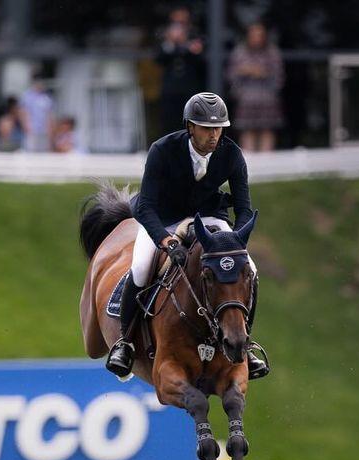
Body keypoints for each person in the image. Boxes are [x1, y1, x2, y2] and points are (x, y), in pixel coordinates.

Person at [105, 91, 269, 381]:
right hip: (164, 218)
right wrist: (166, 241)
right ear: (190, 127)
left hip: (209, 217)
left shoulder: (231, 154)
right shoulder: (162, 150)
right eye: (207, 128)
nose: (214, 135)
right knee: (141, 266)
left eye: (218, 128)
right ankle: (125, 343)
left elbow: (244, 209)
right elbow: (145, 207)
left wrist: (235, 240)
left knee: (251, 270)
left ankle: (246, 345)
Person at [227, 22, 285, 152]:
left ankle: (267, 161)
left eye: (259, 35)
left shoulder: (272, 53)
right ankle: (249, 162)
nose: (256, 38)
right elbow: (231, 75)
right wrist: (244, 73)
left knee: (267, 131)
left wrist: (264, 73)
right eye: (253, 35)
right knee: (247, 131)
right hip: (246, 99)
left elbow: (279, 77)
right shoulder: (239, 52)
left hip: (267, 99)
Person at [156, 8, 205, 133]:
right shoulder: (164, 38)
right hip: (170, 90)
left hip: (190, 89)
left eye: (182, 22)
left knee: (190, 123)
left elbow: (201, 63)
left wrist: (187, 46)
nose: (179, 26)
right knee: (169, 123)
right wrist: (171, 43)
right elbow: (159, 60)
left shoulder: (196, 36)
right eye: (175, 22)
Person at [20, 73, 55, 153]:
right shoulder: (27, 96)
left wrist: (50, 131)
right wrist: (26, 126)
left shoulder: (46, 98)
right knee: (30, 152)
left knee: (43, 152)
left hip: (44, 131)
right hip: (31, 130)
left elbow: (49, 116)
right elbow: (23, 113)